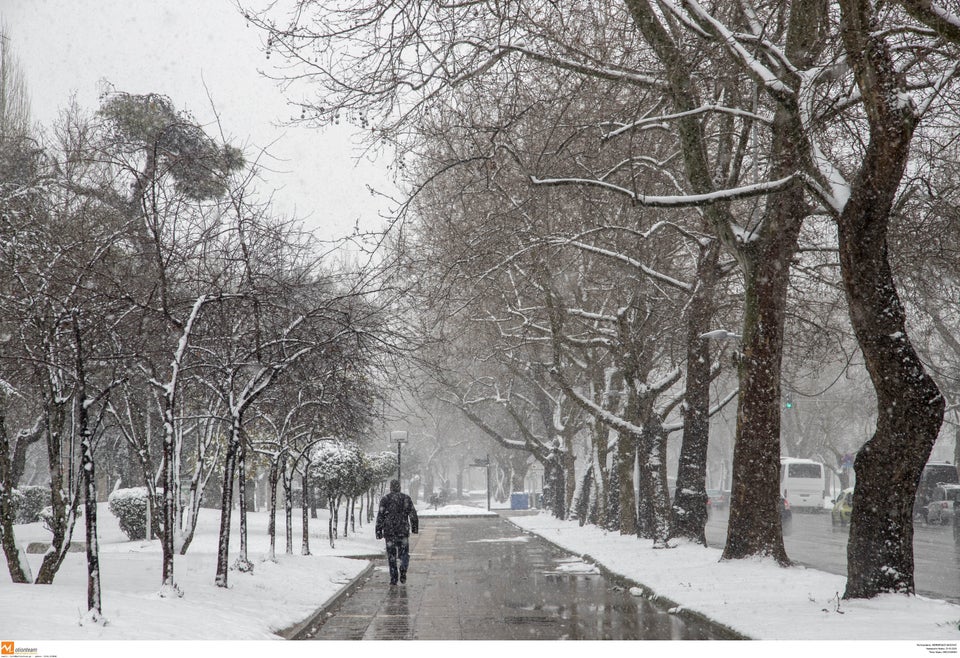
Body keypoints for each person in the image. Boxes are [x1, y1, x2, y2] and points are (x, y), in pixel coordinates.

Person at [375, 479, 419, 585]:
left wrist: (378, 530)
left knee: (391, 555)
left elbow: (380, 515)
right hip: (403, 531)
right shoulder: (405, 498)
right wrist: (414, 527)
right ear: (399, 487)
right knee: (404, 553)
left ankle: (394, 577)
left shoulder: (385, 499)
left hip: (390, 531)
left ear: (390, 488)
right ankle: (403, 569)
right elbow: (412, 513)